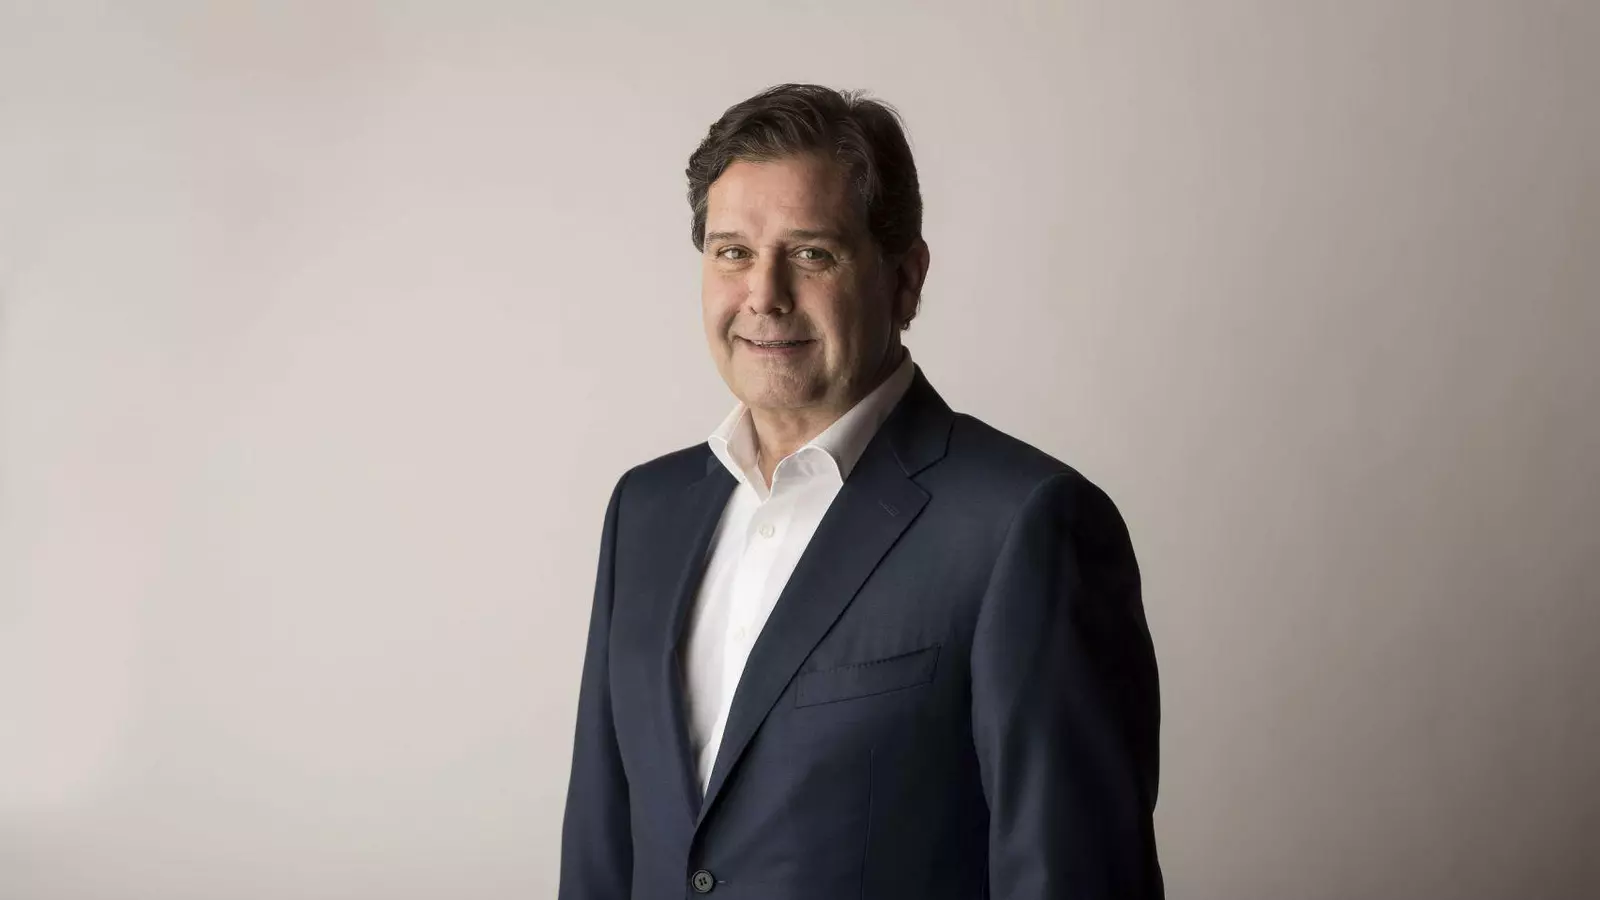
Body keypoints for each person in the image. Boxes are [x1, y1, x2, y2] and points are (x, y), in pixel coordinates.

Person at [558, 83, 1162, 899]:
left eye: (812, 253)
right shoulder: (644, 512)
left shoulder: (1023, 525)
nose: (763, 295)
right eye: (732, 252)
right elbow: (600, 855)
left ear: (905, 280)